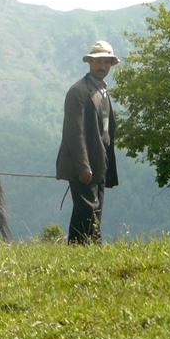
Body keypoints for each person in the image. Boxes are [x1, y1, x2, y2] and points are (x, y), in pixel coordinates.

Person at [56, 40, 119, 245]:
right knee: (89, 211)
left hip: (100, 163)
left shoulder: (102, 91)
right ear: (90, 62)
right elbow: (74, 132)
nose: (103, 66)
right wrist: (83, 165)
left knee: (90, 211)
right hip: (84, 165)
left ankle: (77, 251)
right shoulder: (79, 91)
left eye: (107, 62)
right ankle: (93, 250)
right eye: (99, 61)